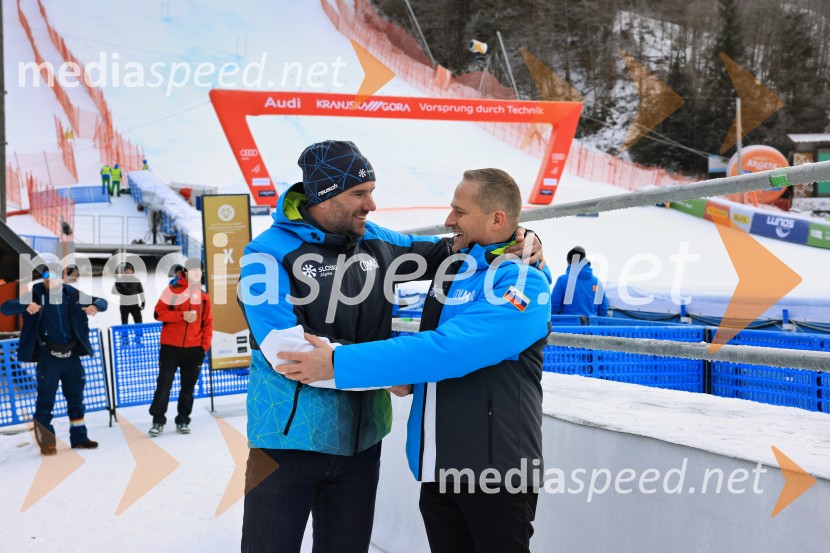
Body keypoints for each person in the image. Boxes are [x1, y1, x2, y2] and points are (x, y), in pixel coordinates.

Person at [238, 141, 543, 553]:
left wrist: (523, 239)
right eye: (359, 194)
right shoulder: (266, 255)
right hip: (286, 442)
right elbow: (288, 355)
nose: (372, 205)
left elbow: (456, 247)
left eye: (372, 190)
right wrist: (382, 374)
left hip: (360, 442)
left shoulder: (376, 242)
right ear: (324, 195)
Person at [1, 269, 108, 454]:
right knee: (45, 402)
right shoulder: (35, 295)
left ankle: (79, 438)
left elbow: (103, 302)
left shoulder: (73, 295)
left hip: (71, 357)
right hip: (48, 358)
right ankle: (47, 443)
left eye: (53, 277)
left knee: (76, 401)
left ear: (61, 278)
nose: (49, 281)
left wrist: (96, 307)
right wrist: (24, 307)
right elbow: (5, 307)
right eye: (45, 278)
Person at [148, 261, 212, 437]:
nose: (197, 273)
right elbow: (157, 313)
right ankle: (158, 420)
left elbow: (208, 324)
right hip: (170, 348)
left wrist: (203, 347)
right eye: (193, 270)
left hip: (194, 350)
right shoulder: (172, 291)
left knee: (187, 388)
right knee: (164, 385)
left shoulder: (204, 296)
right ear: (185, 272)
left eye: (200, 270)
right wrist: (181, 315)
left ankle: (183, 419)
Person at [550, 246, 608, 318]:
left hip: (567, 326)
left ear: (569, 262)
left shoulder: (563, 280)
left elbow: (554, 306)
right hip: (592, 326)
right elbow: (603, 309)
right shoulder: (597, 282)